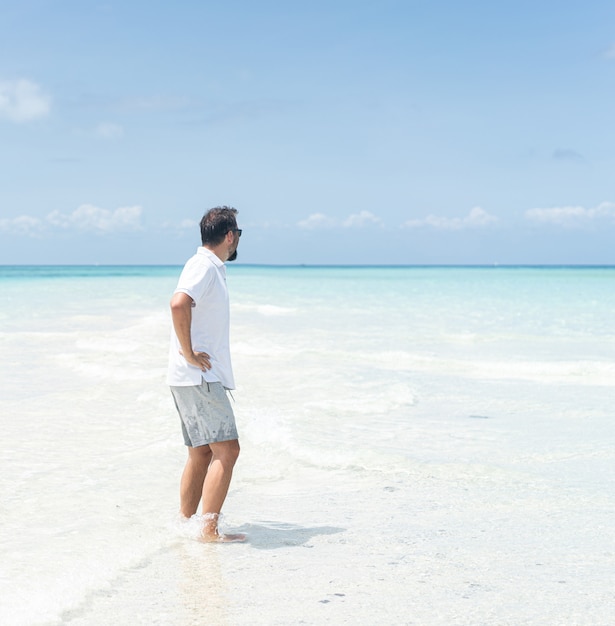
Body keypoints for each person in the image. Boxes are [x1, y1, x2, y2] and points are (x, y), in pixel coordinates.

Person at [167, 206, 245, 542]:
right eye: (238, 234)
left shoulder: (206, 266)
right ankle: (208, 530)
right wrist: (189, 354)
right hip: (200, 377)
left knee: (201, 452)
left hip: (189, 376)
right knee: (227, 450)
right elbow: (178, 303)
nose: (238, 240)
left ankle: (186, 525)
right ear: (229, 236)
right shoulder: (204, 266)